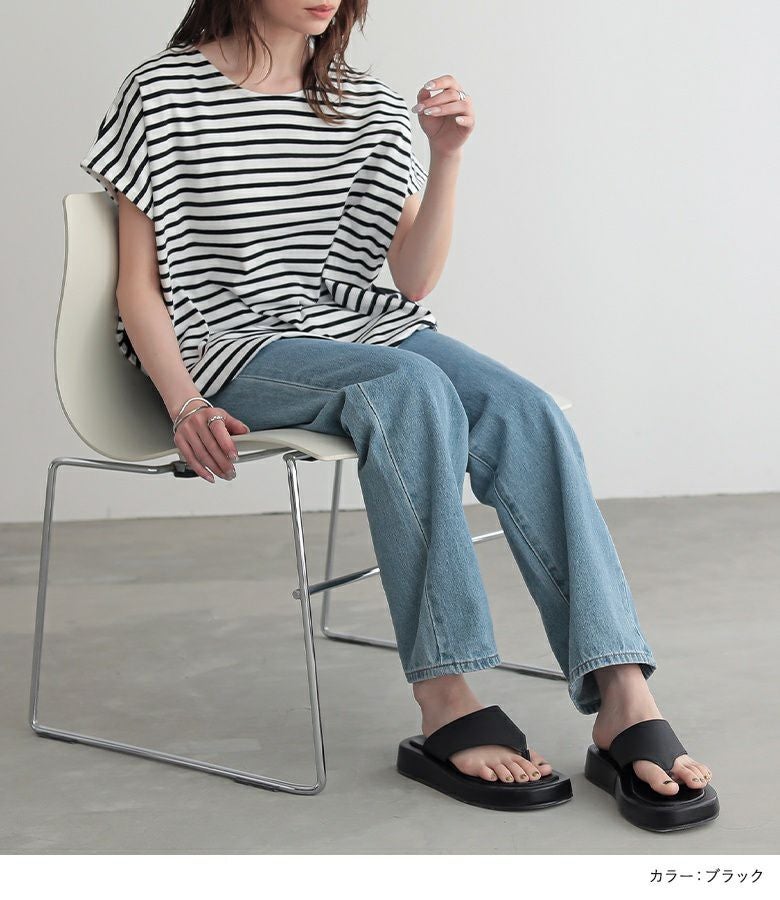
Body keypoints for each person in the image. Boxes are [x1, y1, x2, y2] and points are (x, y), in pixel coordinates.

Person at [80, 0, 717, 830]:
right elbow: (138, 286)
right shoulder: (164, 92)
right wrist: (182, 399)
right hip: (230, 348)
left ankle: (623, 694)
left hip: (363, 333)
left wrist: (446, 157)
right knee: (409, 391)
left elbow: (411, 282)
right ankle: (445, 695)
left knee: (521, 409)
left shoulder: (363, 102)